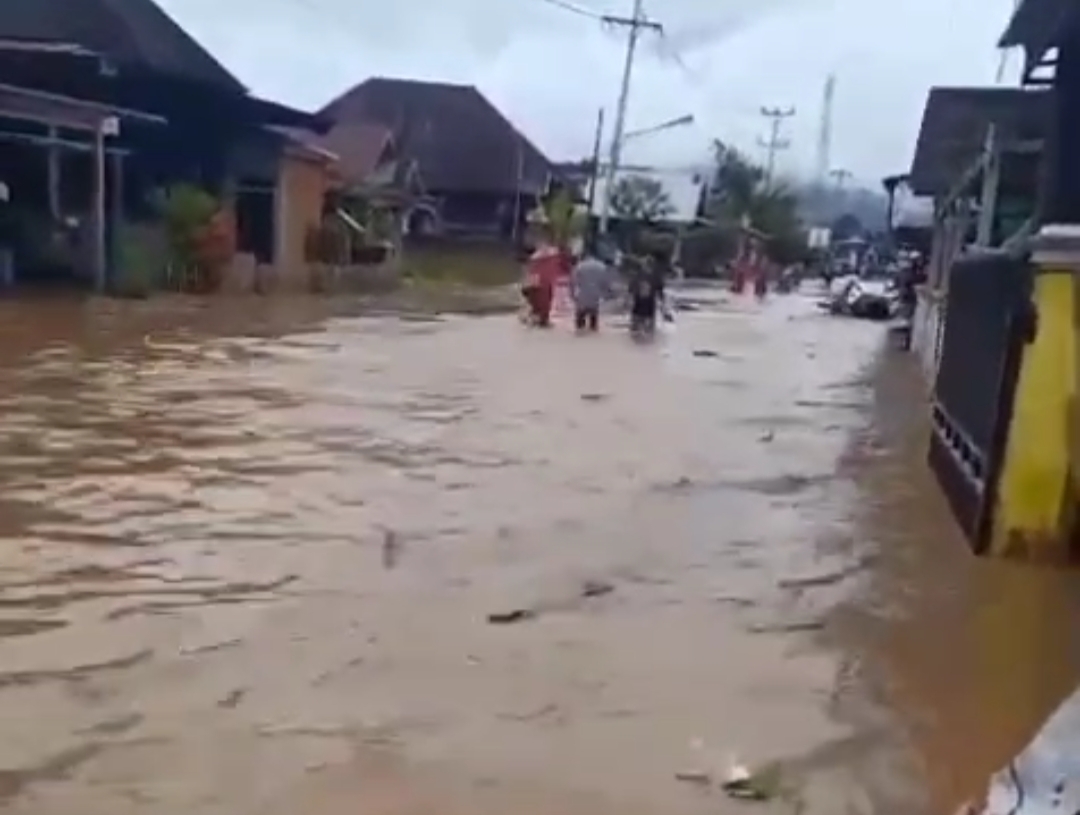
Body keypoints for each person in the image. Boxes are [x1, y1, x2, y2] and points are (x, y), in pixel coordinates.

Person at [570, 249, 609, 332]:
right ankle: (593, 328)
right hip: (595, 295)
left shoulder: (579, 266)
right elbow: (605, 282)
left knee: (580, 317)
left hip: (582, 295)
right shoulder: (602, 267)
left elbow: (573, 282)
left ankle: (580, 329)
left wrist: (572, 294)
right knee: (594, 316)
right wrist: (604, 294)